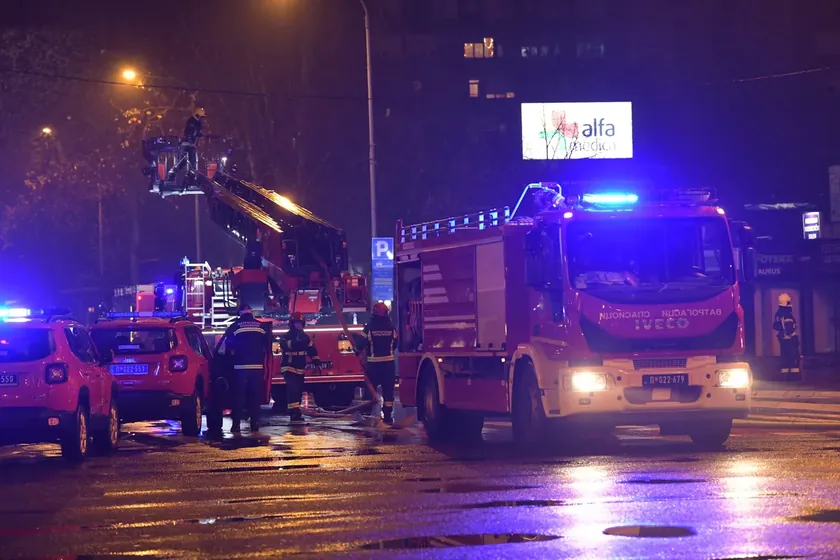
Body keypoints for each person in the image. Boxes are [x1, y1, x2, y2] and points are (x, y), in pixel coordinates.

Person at [222, 303, 270, 433]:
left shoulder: (235, 326)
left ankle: (236, 424)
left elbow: (228, 347)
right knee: (255, 396)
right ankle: (255, 424)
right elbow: (267, 346)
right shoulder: (261, 326)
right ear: (251, 312)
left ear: (239, 313)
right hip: (257, 367)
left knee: (239, 396)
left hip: (240, 367)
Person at [358, 302, 398, 424]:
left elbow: (360, 343)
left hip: (373, 365)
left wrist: (359, 352)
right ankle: (387, 415)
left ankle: (366, 414)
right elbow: (395, 343)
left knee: (370, 391)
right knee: (388, 391)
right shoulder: (391, 327)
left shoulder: (369, 327)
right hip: (388, 365)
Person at [277, 311, 321, 424]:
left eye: (300, 323)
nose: (299, 325)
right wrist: (298, 343)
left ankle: (296, 412)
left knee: (298, 390)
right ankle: (293, 413)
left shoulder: (305, 336)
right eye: (297, 323)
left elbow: (311, 349)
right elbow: (287, 345)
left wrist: (316, 359)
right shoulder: (286, 336)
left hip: (300, 367)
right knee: (293, 389)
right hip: (289, 367)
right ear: (292, 323)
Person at [168, 107, 206, 186]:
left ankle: (190, 179)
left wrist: (201, 136)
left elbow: (196, 133)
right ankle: (172, 175)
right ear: (198, 115)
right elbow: (191, 133)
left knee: (192, 163)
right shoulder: (192, 122)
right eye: (202, 117)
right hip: (186, 144)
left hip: (190, 145)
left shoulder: (195, 123)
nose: (203, 119)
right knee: (183, 161)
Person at [773, 293, 800, 378]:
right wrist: (793, 335)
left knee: (784, 355)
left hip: (783, 338)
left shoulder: (778, 313)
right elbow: (789, 326)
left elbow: (776, 325)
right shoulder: (787, 313)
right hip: (789, 338)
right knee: (792, 356)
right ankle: (794, 375)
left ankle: (785, 373)